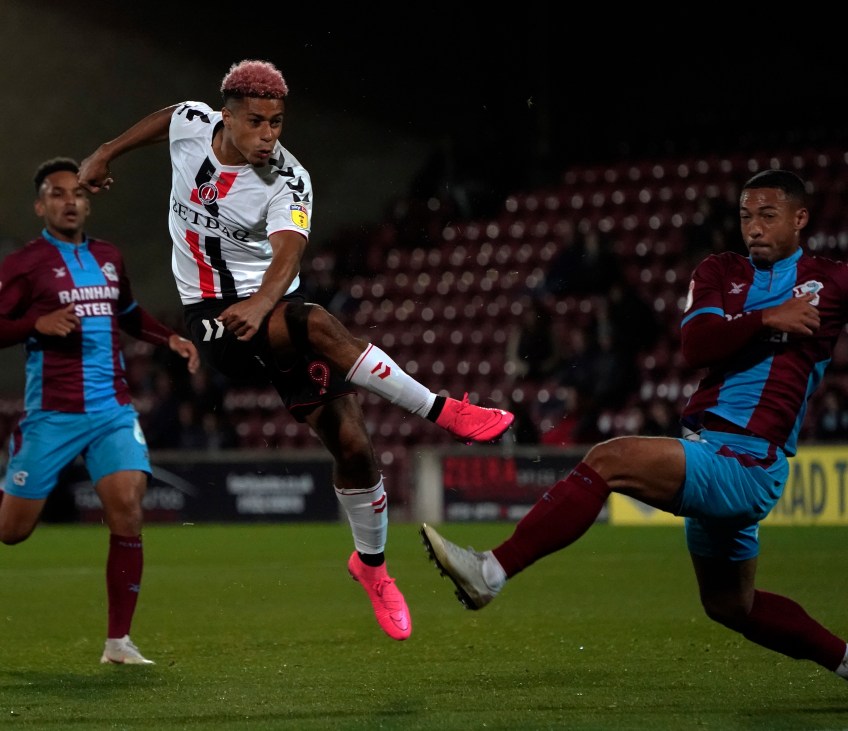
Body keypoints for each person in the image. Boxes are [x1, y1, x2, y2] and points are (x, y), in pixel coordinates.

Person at [77, 59, 514, 641]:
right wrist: (106, 152)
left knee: (353, 446)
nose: (268, 135)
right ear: (226, 116)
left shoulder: (288, 178)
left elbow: (288, 254)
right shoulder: (193, 124)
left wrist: (263, 303)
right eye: (255, 122)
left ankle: (373, 567)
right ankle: (441, 411)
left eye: (277, 122)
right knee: (315, 322)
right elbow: (168, 118)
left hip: (271, 307)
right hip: (215, 316)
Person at [421, 169, 848, 682]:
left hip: (750, 460)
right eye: (745, 216)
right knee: (731, 605)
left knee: (609, 459)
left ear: (800, 219)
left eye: (768, 215)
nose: (753, 227)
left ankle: (491, 571)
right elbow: (696, 345)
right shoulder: (720, 269)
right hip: (711, 447)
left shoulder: (834, 280)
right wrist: (766, 318)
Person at [0, 157, 200, 664]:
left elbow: (128, 313)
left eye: (78, 193)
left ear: (88, 203)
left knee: (128, 510)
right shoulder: (24, 265)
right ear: (40, 206)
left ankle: (118, 643)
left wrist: (169, 337)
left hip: (112, 410)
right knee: (12, 532)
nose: (70, 202)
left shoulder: (109, 256)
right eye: (57, 193)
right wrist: (34, 325)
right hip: (52, 414)